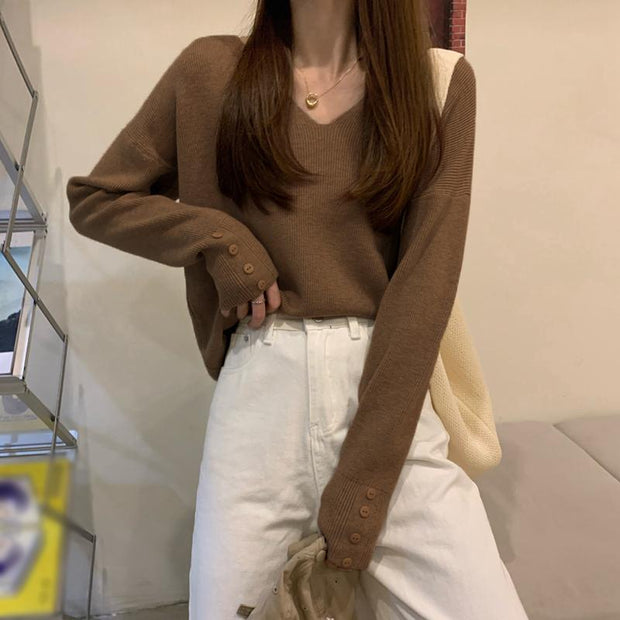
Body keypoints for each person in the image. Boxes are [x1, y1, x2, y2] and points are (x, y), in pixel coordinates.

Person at [66, 1, 530, 618]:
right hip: (258, 397)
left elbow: (425, 286)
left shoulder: (436, 85)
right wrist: (220, 240)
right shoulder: (210, 72)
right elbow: (97, 199)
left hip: (385, 398)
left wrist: (363, 484)